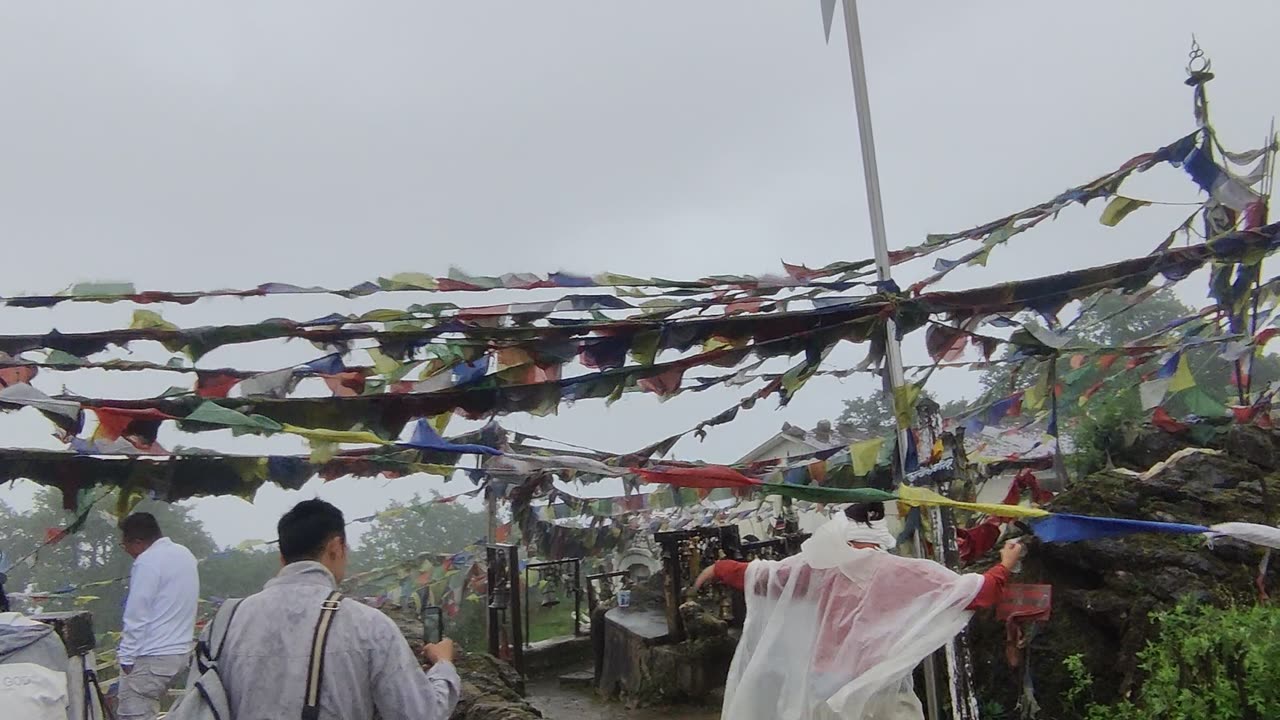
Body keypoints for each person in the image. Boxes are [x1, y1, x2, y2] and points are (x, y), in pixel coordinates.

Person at [695, 502, 1026, 720]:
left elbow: (764, 576)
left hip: (823, 683)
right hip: (872, 685)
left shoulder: (818, 567)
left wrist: (721, 568)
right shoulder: (903, 571)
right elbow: (975, 593)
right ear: (879, 535)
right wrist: (1005, 565)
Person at [202, 498, 461, 720]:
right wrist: (444, 666)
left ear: (282, 558)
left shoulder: (225, 623)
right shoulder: (368, 625)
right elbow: (421, 714)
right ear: (336, 547)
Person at [117, 512, 200, 720]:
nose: (127, 551)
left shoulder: (147, 561)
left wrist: (126, 658)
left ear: (137, 541)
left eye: (125, 545)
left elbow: (137, 614)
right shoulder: (184, 554)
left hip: (151, 655)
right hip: (179, 653)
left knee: (133, 714)